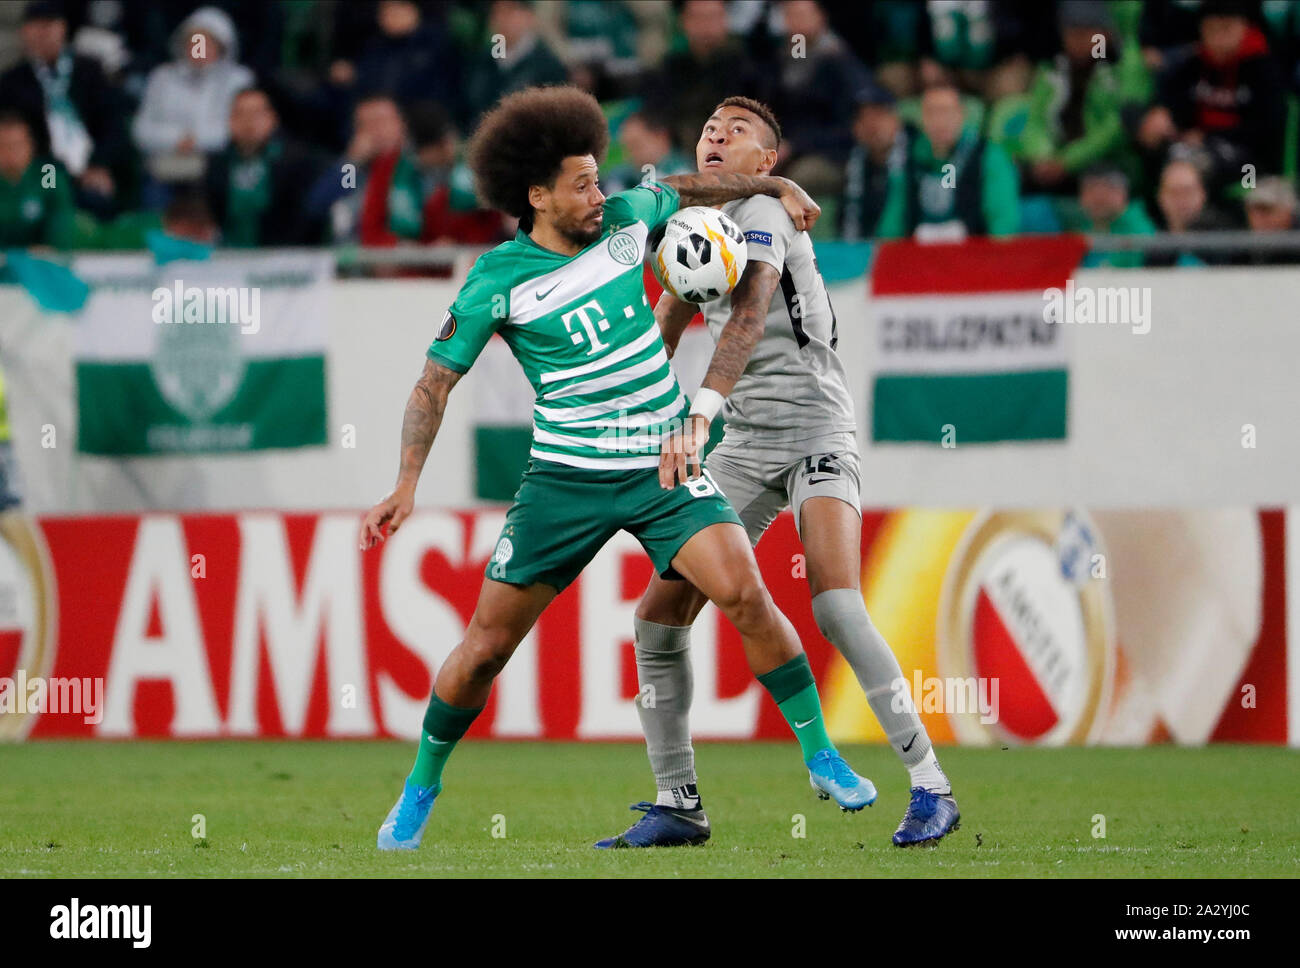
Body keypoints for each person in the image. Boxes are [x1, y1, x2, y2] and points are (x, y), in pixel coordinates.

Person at [359, 85, 876, 851]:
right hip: (563, 480)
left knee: (743, 592)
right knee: (485, 651)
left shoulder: (629, 222)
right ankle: (421, 785)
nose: (600, 194)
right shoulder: (497, 279)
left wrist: (774, 183)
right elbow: (434, 383)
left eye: (600, 178)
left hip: (661, 464)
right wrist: (406, 484)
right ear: (536, 196)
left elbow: (694, 186)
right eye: (581, 184)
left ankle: (822, 756)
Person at [594, 95, 957, 850]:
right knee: (657, 621)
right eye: (708, 130)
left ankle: (930, 785)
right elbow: (669, 316)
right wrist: (626, 407)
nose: (715, 137)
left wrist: (694, 417)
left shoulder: (767, 216)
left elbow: (753, 313)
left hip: (816, 426)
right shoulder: (697, 223)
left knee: (836, 605)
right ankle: (678, 802)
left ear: (769, 162)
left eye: (738, 132)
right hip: (743, 441)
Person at [0, 0, 130, 215]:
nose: (44, 33)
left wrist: (99, 163)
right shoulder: (12, 82)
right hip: (44, 167)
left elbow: (112, 123)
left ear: (63, 28)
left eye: (50, 25)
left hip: (90, 165)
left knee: (98, 201)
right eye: (37, 26)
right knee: (50, 195)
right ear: (25, 31)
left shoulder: (90, 72)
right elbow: (14, 135)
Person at [131, 6, 254, 203]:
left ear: (223, 44)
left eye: (208, 41)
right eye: (195, 40)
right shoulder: (162, 77)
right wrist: (176, 140)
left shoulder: (238, 81)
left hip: (215, 167)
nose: (200, 48)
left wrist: (196, 141)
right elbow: (141, 129)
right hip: (166, 164)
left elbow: (238, 128)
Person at [875, 82, 1019, 240]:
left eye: (947, 112)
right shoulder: (908, 158)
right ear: (921, 118)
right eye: (932, 112)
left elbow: (1002, 223)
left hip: (974, 255)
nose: (940, 120)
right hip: (919, 257)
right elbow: (893, 221)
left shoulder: (988, 155)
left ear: (961, 114)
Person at [203, 87, 325, 246]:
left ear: (272, 118)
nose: (248, 122)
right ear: (230, 120)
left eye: (256, 114)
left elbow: (306, 217)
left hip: (283, 257)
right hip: (227, 256)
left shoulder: (297, 162)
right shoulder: (216, 164)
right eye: (240, 114)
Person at [0, 109, 76, 249]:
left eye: (16, 145)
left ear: (31, 146)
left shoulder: (48, 175)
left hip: (40, 262)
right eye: (3, 146)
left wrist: (52, 246)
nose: (9, 153)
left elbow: (60, 220)